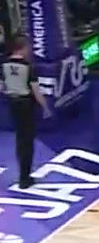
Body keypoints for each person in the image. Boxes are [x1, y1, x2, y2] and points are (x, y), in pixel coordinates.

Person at [1, 36, 51, 188]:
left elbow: (1, 86)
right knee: (27, 141)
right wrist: (45, 107)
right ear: (22, 48)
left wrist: (10, 91)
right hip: (26, 105)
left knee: (20, 139)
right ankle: (25, 177)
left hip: (13, 104)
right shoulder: (28, 67)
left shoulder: (4, 65)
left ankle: (23, 174)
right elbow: (36, 91)